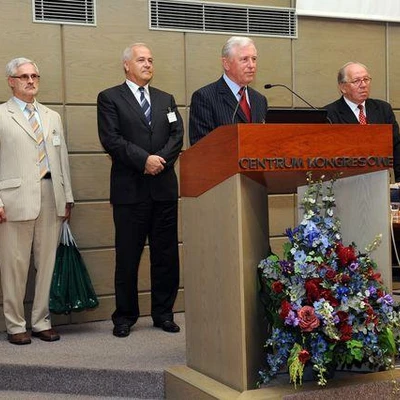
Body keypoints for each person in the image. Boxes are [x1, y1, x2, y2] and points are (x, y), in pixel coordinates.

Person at [97, 43, 184, 337]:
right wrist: (143, 160)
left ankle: (163, 313)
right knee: (128, 256)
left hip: (164, 190)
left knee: (166, 256)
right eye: (141, 59)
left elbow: (177, 135)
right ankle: (124, 316)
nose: (148, 64)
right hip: (130, 191)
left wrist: (159, 160)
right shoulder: (110, 98)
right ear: (126, 65)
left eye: (150, 59)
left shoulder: (166, 99)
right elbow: (111, 139)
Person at [0, 57, 74, 345]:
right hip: (14, 199)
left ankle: (41, 320)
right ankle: (15, 325)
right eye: (23, 77)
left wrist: (67, 197)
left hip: (50, 195)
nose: (30, 81)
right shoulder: (2, 115)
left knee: (47, 264)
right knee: (14, 266)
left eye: (34, 76)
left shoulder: (51, 116)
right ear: (11, 81)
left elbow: (62, 158)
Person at [325, 61, 400, 182]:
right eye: (356, 81)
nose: (363, 85)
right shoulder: (329, 114)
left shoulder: (383, 109)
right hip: (345, 182)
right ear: (342, 87)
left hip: (379, 180)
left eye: (366, 79)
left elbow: (396, 146)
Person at [189, 36, 268, 145]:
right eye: (244, 59)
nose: (251, 65)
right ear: (226, 64)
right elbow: (202, 145)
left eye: (254, 59)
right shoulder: (204, 97)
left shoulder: (259, 100)